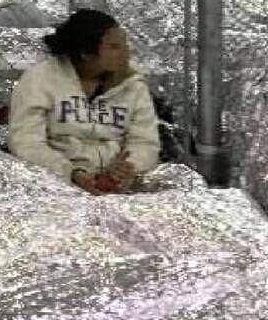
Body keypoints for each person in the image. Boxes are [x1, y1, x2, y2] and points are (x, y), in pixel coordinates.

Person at [9, 10, 160, 194]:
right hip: (55, 181)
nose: (126, 53)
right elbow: (27, 142)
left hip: (118, 184)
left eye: (124, 44)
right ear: (86, 54)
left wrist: (128, 167)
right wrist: (71, 173)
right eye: (114, 47)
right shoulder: (40, 79)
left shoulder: (132, 84)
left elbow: (145, 141)